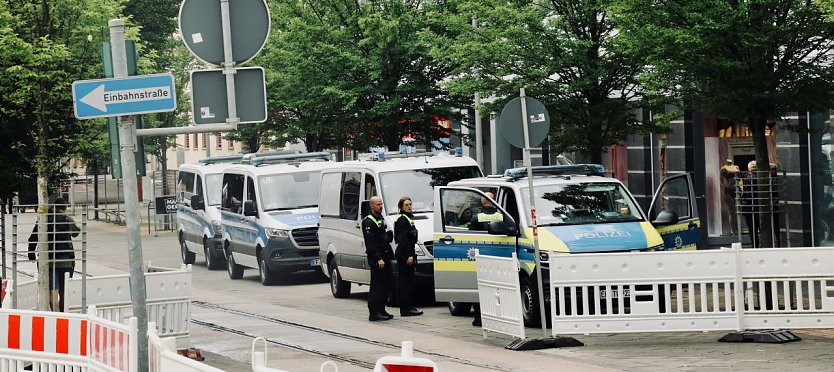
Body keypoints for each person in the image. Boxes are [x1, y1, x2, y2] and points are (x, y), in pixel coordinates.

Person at [28, 198, 79, 311]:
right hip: (66, 260)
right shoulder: (67, 219)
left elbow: (33, 238)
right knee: (63, 290)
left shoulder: (43, 219)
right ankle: (63, 314)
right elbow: (76, 233)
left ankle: (55, 313)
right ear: (65, 207)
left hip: (48, 260)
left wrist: (31, 254)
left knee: (52, 290)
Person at [362, 196, 395, 321]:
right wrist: (378, 258)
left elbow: (381, 239)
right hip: (377, 258)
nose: (380, 206)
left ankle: (381, 310)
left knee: (386, 284)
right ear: (371, 206)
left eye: (381, 204)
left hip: (385, 255)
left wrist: (388, 237)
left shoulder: (380, 219)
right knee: (377, 285)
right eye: (378, 204)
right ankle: (374, 312)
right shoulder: (368, 222)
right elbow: (371, 243)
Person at [394, 196, 423, 317]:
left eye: (410, 204)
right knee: (405, 282)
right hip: (404, 254)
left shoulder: (408, 218)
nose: (409, 206)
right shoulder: (402, 220)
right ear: (401, 207)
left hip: (407, 252)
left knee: (408, 281)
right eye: (406, 205)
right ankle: (406, 309)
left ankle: (408, 306)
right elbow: (403, 240)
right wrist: (409, 255)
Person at [741, 161, 761, 248]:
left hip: (749, 208)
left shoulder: (747, 180)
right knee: (762, 228)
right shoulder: (762, 178)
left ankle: (755, 246)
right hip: (760, 208)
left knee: (752, 230)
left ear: (749, 169)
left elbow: (744, 195)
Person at [720, 159, 740, 235]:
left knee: (738, 211)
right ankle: (734, 231)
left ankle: (738, 229)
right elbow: (720, 182)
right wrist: (723, 191)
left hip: (737, 190)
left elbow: (740, 178)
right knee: (732, 212)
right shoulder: (723, 169)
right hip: (728, 191)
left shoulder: (735, 168)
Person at [769, 163, 782, 247]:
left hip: (775, 206)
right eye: (772, 170)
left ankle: (778, 243)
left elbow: (776, 193)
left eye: (774, 170)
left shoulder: (774, 180)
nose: (773, 171)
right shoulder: (774, 179)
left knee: (776, 226)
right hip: (775, 205)